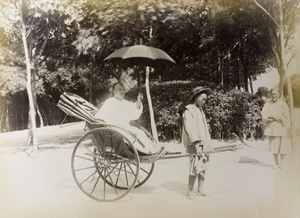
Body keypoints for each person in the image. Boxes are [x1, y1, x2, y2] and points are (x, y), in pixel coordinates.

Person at [95, 82, 161, 154]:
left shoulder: (125, 103)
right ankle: (144, 151)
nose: (122, 91)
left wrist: (138, 100)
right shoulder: (109, 102)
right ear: (113, 91)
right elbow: (100, 116)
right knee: (135, 133)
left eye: (123, 89)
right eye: (119, 90)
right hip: (115, 130)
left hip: (125, 128)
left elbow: (135, 112)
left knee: (140, 132)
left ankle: (148, 150)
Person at [181, 86, 214, 200]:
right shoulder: (188, 110)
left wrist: (207, 143)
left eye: (206, 100)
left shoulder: (200, 110)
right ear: (196, 97)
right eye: (203, 99)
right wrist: (196, 144)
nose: (204, 102)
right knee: (195, 167)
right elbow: (190, 128)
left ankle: (200, 189)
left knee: (203, 165)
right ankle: (189, 191)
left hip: (203, 142)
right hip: (195, 143)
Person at [261, 87, 291, 169]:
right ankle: (276, 163)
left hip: (281, 127)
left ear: (278, 94)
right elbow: (264, 114)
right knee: (274, 145)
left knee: (282, 146)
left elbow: (286, 116)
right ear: (270, 95)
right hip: (272, 128)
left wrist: (277, 117)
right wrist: (268, 118)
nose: (274, 96)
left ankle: (282, 163)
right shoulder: (267, 104)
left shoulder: (283, 104)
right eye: (272, 94)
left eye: (275, 94)